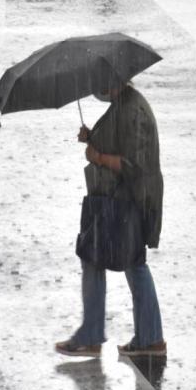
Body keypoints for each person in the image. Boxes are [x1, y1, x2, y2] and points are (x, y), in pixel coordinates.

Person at [55, 82, 166, 357]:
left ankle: (106, 337)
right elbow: (120, 142)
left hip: (124, 201)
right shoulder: (124, 104)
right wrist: (92, 138)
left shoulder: (133, 110)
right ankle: (146, 337)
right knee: (115, 261)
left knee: (116, 261)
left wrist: (98, 156)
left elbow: (134, 165)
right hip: (115, 198)